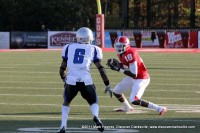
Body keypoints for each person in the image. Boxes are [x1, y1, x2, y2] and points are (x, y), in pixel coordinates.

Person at [57, 27, 112, 133]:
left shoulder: (68, 47)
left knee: (66, 102)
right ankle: (96, 116)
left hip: (71, 80)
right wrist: (107, 84)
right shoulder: (94, 49)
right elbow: (101, 69)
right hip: (86, 80)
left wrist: (64, 78)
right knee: (93, 101)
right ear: (90, 38)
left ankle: (63, 126)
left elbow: (61, 69)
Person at [107, 36, 167, 115]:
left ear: (126, 46)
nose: (118, 48)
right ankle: (128, 108)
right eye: (117, 46)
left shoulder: (131, 53)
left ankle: (159, 108)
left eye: (120, 46)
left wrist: (118, 69)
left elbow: (134, 74)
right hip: (134, 76)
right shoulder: (122, 53)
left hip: (141, 78)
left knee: (134, 99)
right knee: (116, 91)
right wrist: (118, 64)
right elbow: (127, 66)